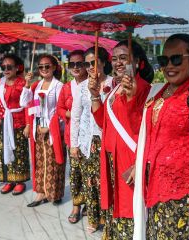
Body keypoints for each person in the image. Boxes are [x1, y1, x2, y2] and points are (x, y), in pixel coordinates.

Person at [133, 34, 189, 239]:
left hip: (182, 194)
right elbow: (151, 135)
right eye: (164, 60)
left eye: (176, 59)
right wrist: (139, 163)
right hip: (154, 188)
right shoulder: (162, 91)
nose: (169, 66)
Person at [89, 40, 154, 239]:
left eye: (124, 58)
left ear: (139, 63)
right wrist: (94, 96)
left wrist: (132, 95)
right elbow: (103, 122)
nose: (117, 63)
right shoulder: (115, 89)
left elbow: (138, 126)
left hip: (129, 160)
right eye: (115, 58)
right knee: (115, 207)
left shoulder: (143, 87)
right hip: (111, 159)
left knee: (128, 209)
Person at [70, 46, 113, 232]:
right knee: (90, 181)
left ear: (103, 63)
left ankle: (109, 218)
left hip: (107, 139)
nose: (90, 67)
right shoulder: (81, 87)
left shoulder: (114, 83)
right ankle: (94, 219)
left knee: (107, 180)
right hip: (88, 141)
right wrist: (74, 144)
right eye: (87, 64)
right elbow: (76, 117)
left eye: (93, 63)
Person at [20, 54, 65, 207]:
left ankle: (55, 193)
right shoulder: (36, 85)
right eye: (41, 67)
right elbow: (25, 103)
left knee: (54, 162)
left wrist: (51, 127)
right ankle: (41, 192)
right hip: (38, 128)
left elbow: (61, 110)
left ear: (54, 67)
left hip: (53, 130)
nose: (44, 69)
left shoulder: (59, 86)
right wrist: (26, 83)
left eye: (47, 66)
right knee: (40, 162)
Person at [0, 54, 30, 195]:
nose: (6, 69)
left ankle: (20, 181)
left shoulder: (22, 83)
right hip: (2, 122)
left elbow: (30, 105)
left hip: (18, 124)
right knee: (3, 151)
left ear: (17, 68)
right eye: (3, 67)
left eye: (9, 66)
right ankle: (9, 180)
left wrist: (28, 124)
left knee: (19, 152)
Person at [57, 50, 88, 222]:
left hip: (90, 137)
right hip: (73, 136)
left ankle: (90, 205)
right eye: (72, 64)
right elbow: (60, 108)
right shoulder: (66, 87)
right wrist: (71, 114)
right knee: (75, 172)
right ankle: (76, 205)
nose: (76, 67)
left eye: (80, 63)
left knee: (90, 173)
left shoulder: (93, 85)